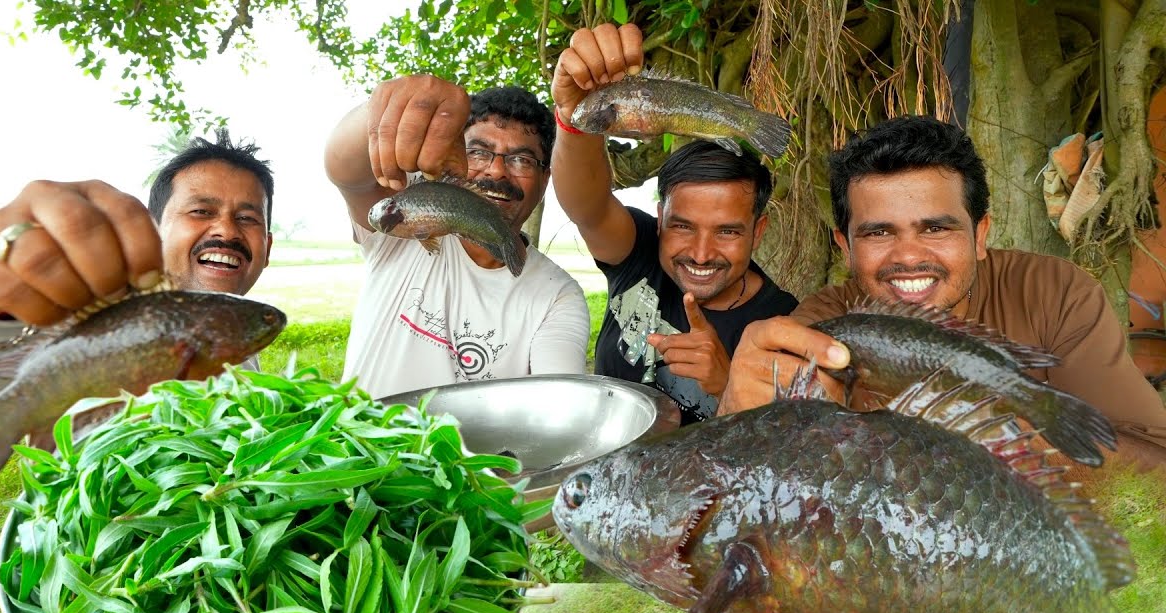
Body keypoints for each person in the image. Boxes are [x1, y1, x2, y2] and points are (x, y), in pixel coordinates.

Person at [719, 115, 1166, 465]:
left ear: (980, 235)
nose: (908, 256)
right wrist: (737, 413)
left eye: (936, 228)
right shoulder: (823, 325)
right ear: (846, 248)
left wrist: (997, 419)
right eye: (878, 233)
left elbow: (1155, 465)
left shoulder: (1054, 292)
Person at [0, 130, 275, 407]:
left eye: (247, 218)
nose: (227, 230)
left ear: (267, 248)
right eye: (201, 211)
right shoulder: (99, 322)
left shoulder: (235, 328)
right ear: (153, 231)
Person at [550, 23, 798, 424]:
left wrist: (727, 384)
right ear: (661, 219)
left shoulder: (785, 322)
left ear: (759, 231)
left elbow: (785, 451)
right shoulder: (640, 252)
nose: (701, 253)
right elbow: (586, 204)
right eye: (682, 226)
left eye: (728, 231)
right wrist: (573, 120)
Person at [325, 76, 590, 399]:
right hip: (358, 447)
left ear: (545, 178)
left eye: (521, 159)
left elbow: (559, 399)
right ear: (452, 155)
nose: (496, 171)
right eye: (478, 152)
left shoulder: (558, 295)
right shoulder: (402, 224)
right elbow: (343, 168)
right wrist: (390, 105)